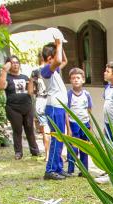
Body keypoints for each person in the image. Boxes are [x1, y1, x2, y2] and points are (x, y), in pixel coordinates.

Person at [39, 35, 70, 180]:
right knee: (57, 139)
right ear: (50, 58)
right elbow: (58, 61)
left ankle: (58, 167)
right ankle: (50, 169)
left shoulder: (54, 70)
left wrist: (60, 44)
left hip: (58, 108)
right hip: (54, 107)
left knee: (60, 138)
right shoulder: (45, 70)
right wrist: (58, 45)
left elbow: (63, 61)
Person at [0, 55, 39, 160]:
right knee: (17, 130)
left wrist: (32, 81)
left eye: (17, 62)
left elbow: (30, 92)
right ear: (8, 64)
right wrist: (4, 71)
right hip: (13, 108)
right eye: (12, 63)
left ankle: (35, 151)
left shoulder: (25, 77)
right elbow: (1, 86)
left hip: (27, 106)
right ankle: (18, 152)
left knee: (30, 129)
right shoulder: (7, 77)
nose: (15, 65)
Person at [66, 68, 93, 175]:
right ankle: (70, 170)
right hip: (73, 124)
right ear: (70, 80)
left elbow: (89, 111)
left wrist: (90, 127)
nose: (76, 80)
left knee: (84, 148)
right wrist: (68, 129)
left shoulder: (87, 94)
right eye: (73, 78)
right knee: (73, 148)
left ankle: (84, 170)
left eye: (78, 78)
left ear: (83, 80)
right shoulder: (69, 95)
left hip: (85, 124)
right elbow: (66, 112)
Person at [32, 64, 50, 158]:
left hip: (39, 101)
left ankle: (47, 155)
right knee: (50, 129)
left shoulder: (35, 74)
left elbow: (32, 91)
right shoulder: (50, 72)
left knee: (45, 129)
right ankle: (50, 154)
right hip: (48, 100)